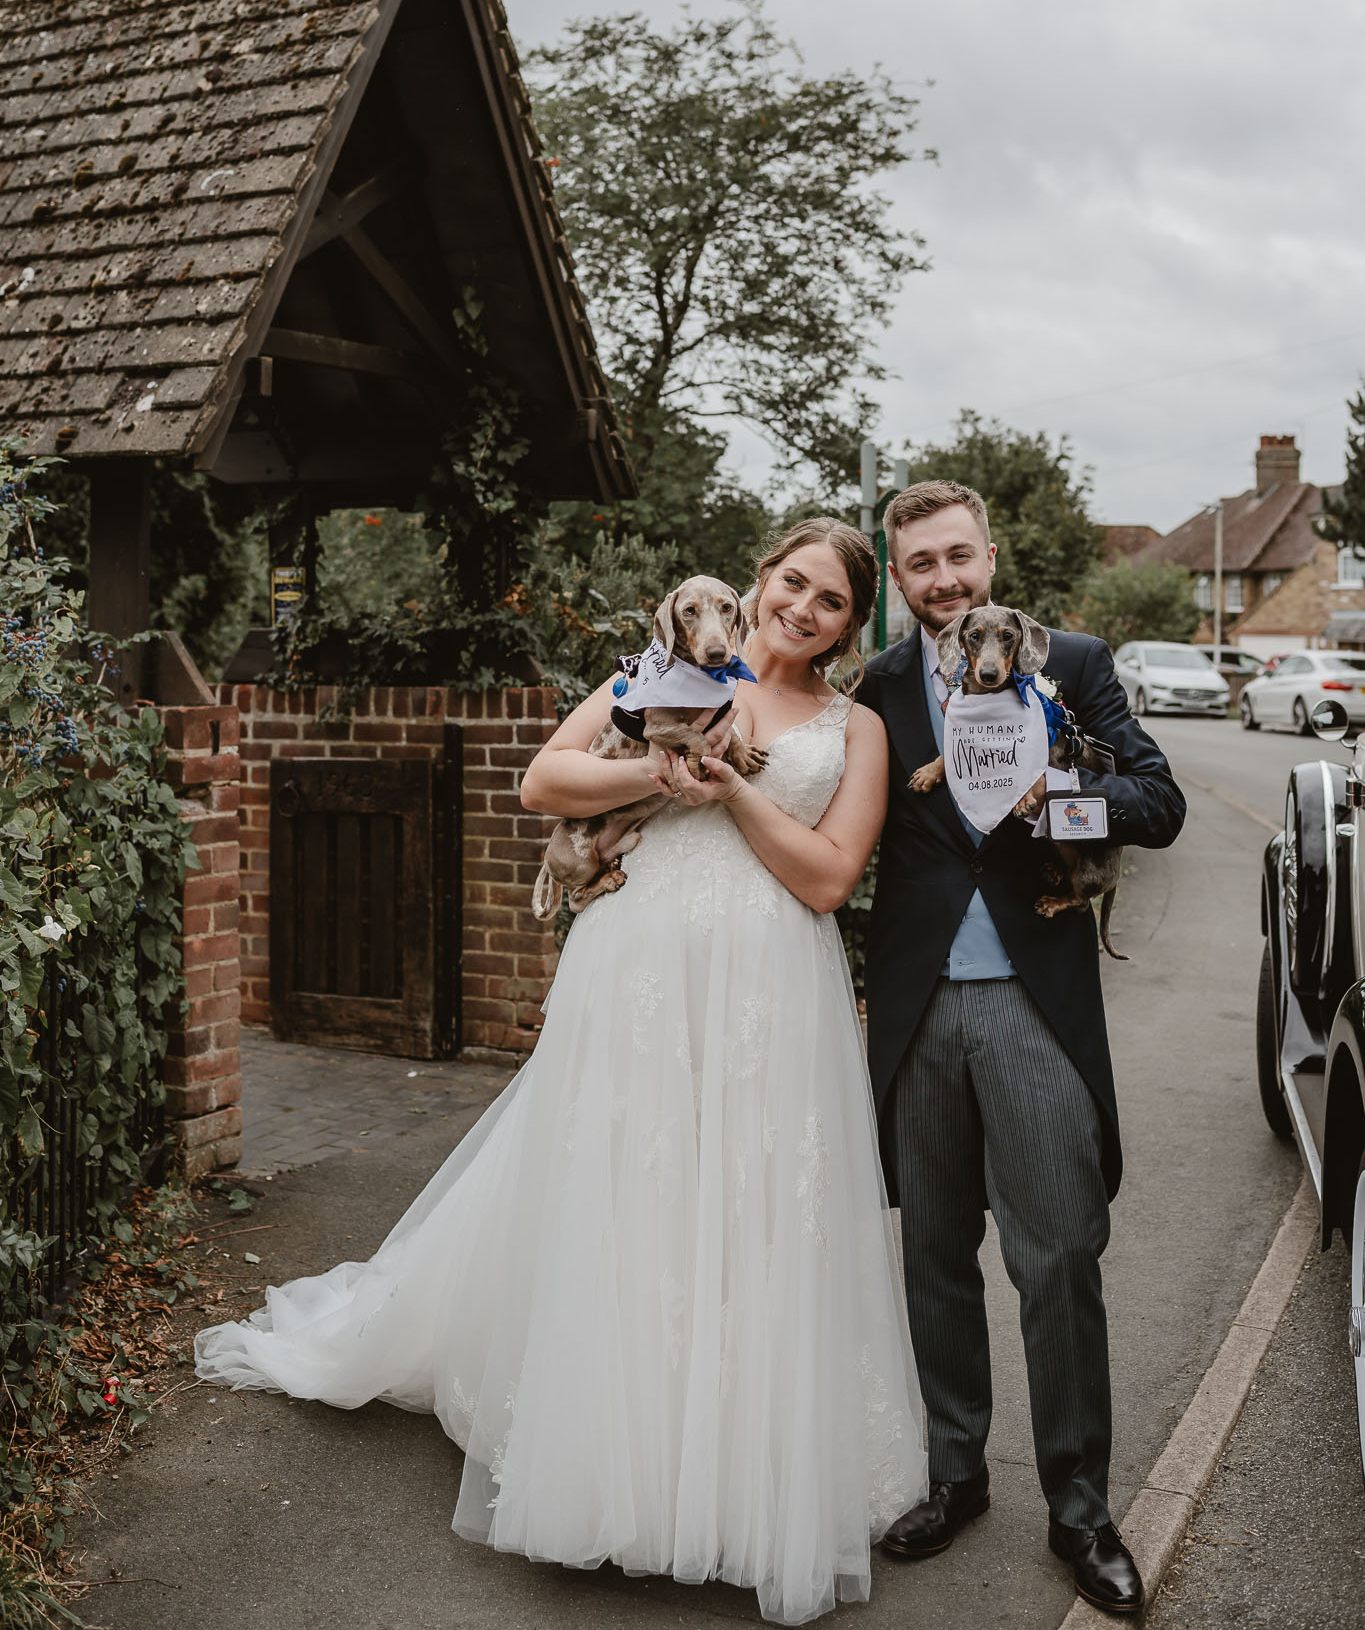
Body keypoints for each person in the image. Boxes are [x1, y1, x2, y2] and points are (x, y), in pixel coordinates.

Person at [195, 517, 927, 1627]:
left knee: (754, 1205)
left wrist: (728, 785)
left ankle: (738, 1465)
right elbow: (546, 780)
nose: (802, 610)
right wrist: (655, 764)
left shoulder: (857, 727)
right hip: (638, 967)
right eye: (791, 582)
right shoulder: (661, 672)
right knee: (630, 1192)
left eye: (830, 600)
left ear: (849, 621)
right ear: (758, 576)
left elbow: (828, 878)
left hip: (773, 988)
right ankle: (612, 1462)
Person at [857, 480, 1185, 1618]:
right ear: (898, 582)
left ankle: (1081, 1507)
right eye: (919, 567)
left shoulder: (1073, 663)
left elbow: (1158, 798)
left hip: (1035, 1007)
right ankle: (956, 1476)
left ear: (988, 556)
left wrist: (1063, 802)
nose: (943, 581)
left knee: (1057, 1260)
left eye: (958, 557)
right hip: (916, 1012)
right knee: (933, 1255)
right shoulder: (884, 685)